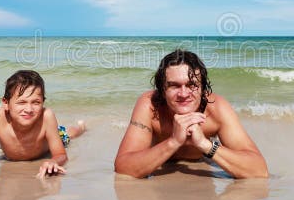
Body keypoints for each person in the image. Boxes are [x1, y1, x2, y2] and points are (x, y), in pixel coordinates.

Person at [114, 49, 268, 179]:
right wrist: (173, 141)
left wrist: (204, 145)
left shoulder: (216, 109)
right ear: (162, 90)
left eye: (192, 85)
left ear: (203, 89)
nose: (183, 93)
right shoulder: (150, 105)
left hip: (203, 164)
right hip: (160, 166)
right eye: (174, 86)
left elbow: (259, 171)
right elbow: (123, 167)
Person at [0, 70, 85, 184]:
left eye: (36, 102)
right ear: (6, 103)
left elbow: (61, 154)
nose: (29, 109)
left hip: (52, 139)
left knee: (68, 134)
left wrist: (53, 161)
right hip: (15, 150)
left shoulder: (46, 116)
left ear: (43, 102)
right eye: (21, 102)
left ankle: (81, 126)